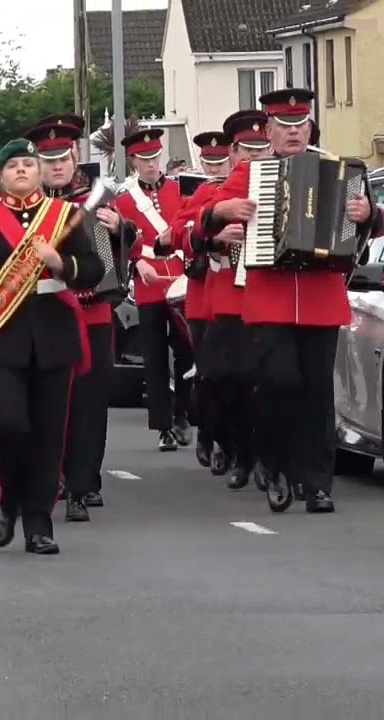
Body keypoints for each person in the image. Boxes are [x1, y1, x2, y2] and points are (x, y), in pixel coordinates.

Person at [198, 88, 384, 513]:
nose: (293, 133)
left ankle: (317, 483)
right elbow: (205, 216)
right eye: (283, 126)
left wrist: (366, 215)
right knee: (280, 383)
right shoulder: (251, 173)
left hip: (320, 296)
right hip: (270, 297)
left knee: (318, 392)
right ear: (268, 130)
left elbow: (374, 221)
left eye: (299, 125)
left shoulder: (338, 168)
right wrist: (224, 211)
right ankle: (276, 465)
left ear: (309, 128)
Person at [0, 138, 105, 554]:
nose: (22, 170)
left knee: (47, 435)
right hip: (2, 337)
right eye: (12, 166)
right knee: (10, 425)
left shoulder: (66, 216)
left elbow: (93, 270)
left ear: (40, 172)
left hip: (54, 334)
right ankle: (10, 500)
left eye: (28, 163)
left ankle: (39, 523)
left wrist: (61, 264)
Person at [27, 118, 127, 522]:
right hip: (44, 315)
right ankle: (55, 477)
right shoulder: (26, 207)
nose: (56, 167)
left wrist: (121, 228)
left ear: (74, 159)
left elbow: (119, 254)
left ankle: (83, 484)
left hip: (93, 313)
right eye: (47, 160)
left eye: (62, 159)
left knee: (88, 402)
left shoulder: (97, 199)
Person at [194, 111, 271, 489]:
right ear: (235, 152)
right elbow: (192, 228)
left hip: (273, 295)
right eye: (247, 149)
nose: (254, 156)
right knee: (231, 382)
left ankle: (268, 457)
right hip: (230, 295)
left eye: (261, 148)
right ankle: (240, 451)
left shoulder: (290, 176)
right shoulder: (224, 186)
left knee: (271, 382)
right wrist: (218, 232)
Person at [115, 128, 193, 453]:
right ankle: (163, 426)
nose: (151, 164)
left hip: (178, 280)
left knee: (187, 352)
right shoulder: (123, 200)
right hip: (147, 286)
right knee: (155, 358)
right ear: (133, 161)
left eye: (154, 157)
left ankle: (183, 413)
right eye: (144, 159)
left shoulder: (180, 191)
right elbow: (119, 244)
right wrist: (135, 266)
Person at [169, 128, 236, 470]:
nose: (214, 170)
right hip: (203, 291)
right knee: (208, 374)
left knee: (236, 376)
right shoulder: (201, 194)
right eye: (209, 163)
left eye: (220, 162)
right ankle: (210, 434)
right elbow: (178, 232)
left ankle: (231, 440)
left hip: (236, 291)